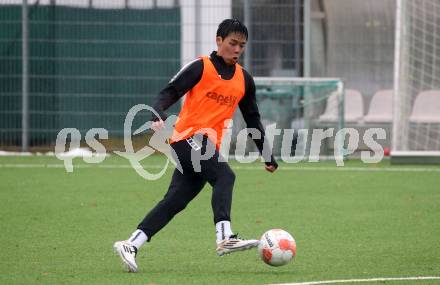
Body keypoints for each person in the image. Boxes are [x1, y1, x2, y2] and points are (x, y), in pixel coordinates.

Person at [113, 19, 278, 272]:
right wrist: (157, 112)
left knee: (175, 201)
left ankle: (130, 244)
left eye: (241, 46)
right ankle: (224, 236)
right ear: (219, 41)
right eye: (232, 43)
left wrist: (266, 154)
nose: (236, 50)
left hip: (205, 145)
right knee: (225, 176)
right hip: (187, 138)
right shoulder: (201, 67)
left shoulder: (244, 79)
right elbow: (169, 92)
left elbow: (252, 118)